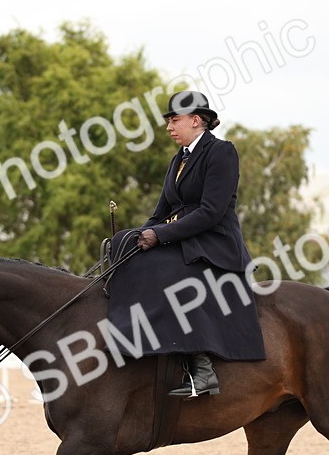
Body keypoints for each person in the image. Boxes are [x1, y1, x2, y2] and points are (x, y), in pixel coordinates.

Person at [105, 90, 265, 397]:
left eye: (174, 120)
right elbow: (160, 212)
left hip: (215, 243)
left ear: (196, 120)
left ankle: (201, 369)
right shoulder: (178, 160)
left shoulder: (222, 152)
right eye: (168, 121)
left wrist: (161, 235)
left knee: (162, 270)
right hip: (185, 239)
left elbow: (210, 212)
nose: (168, 128)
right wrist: (137, 236)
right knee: (124, 246)